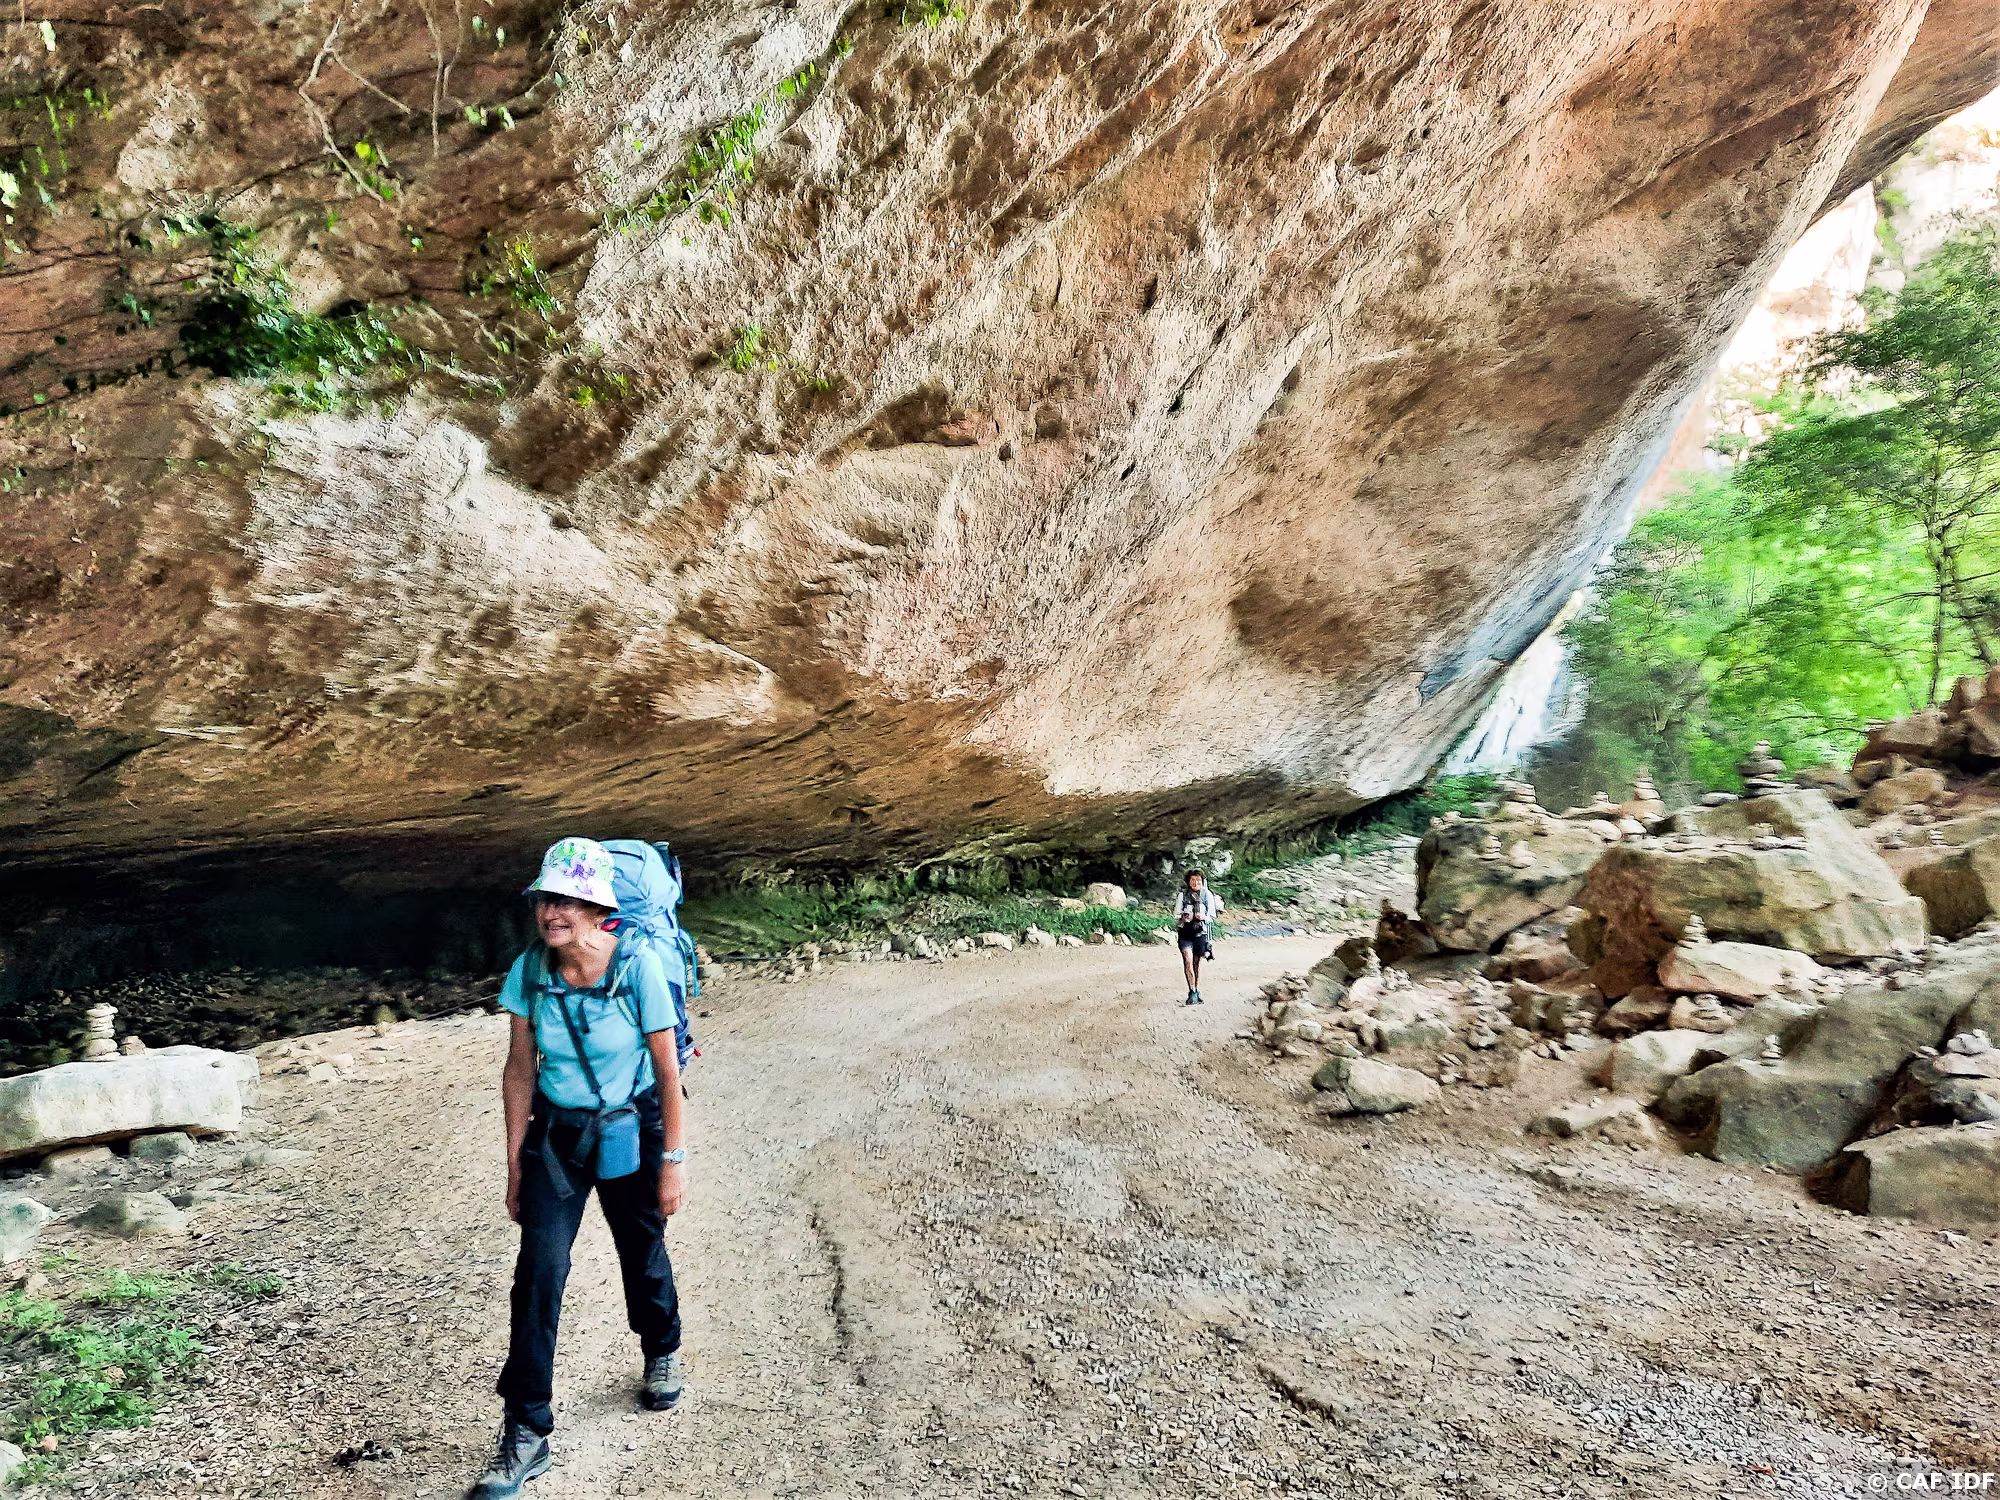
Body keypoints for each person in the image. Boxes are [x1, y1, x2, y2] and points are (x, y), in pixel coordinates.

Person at [469, 837, 690, 1500]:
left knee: (641, 1250)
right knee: (539, 1270)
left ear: (599, 911)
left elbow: (667, 1072)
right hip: (558, 1137)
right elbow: (518, 1069)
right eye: (546, 898)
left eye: (569, 900)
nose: (552, 911)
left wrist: (673, 1161)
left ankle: (661, 1347)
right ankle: (526, 1429)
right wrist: (515, 1165)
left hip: (632, 1127)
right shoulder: (530, 971)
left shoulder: (638, 967)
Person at [1176, 869, 1223, 1005]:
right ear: (1188, 881)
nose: (1195, 883)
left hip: (1200, 933)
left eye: (1198, 880)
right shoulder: (1182, 896)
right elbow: (1176, 915)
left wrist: (1202, 917)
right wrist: (1184, 917)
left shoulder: (1207, 895)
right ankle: (1192, 991)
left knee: (1196, 963)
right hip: (1185, 933)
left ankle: (1195, 990)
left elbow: (1211, 916)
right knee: (1188, 960)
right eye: (1193, 880)